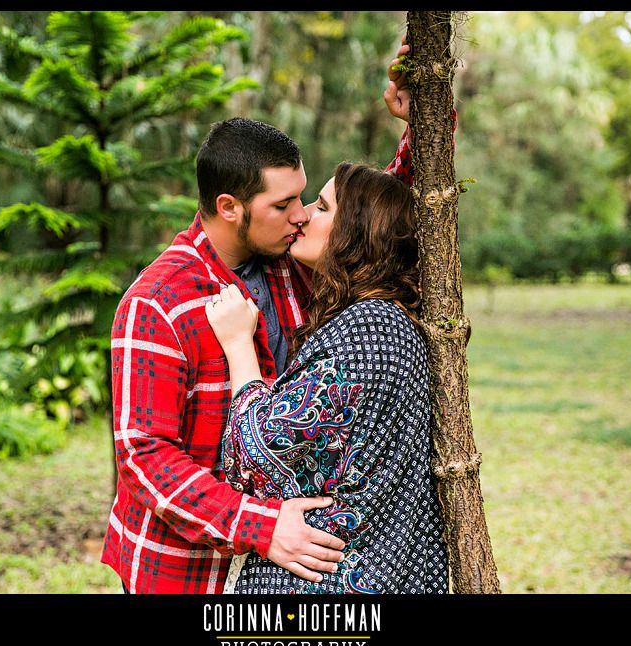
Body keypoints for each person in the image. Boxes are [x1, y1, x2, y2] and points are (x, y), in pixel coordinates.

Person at [100, 45, 417, 594]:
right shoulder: (157, 302)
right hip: (188, 567)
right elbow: (145, 457)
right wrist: (262, 528)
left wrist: (420, 125)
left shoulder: (286, 263)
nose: (299, 217)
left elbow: (368, 227)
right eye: (282, 205)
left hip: (285, 570)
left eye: (304, 199)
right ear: (229, 207)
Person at [205, 158, 449, 594]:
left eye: (320, 206)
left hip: (326, 589)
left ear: (355, 231)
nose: (302, 216)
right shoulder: (386, 319)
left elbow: (255, 451)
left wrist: (239, 344)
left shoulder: (368, 328)